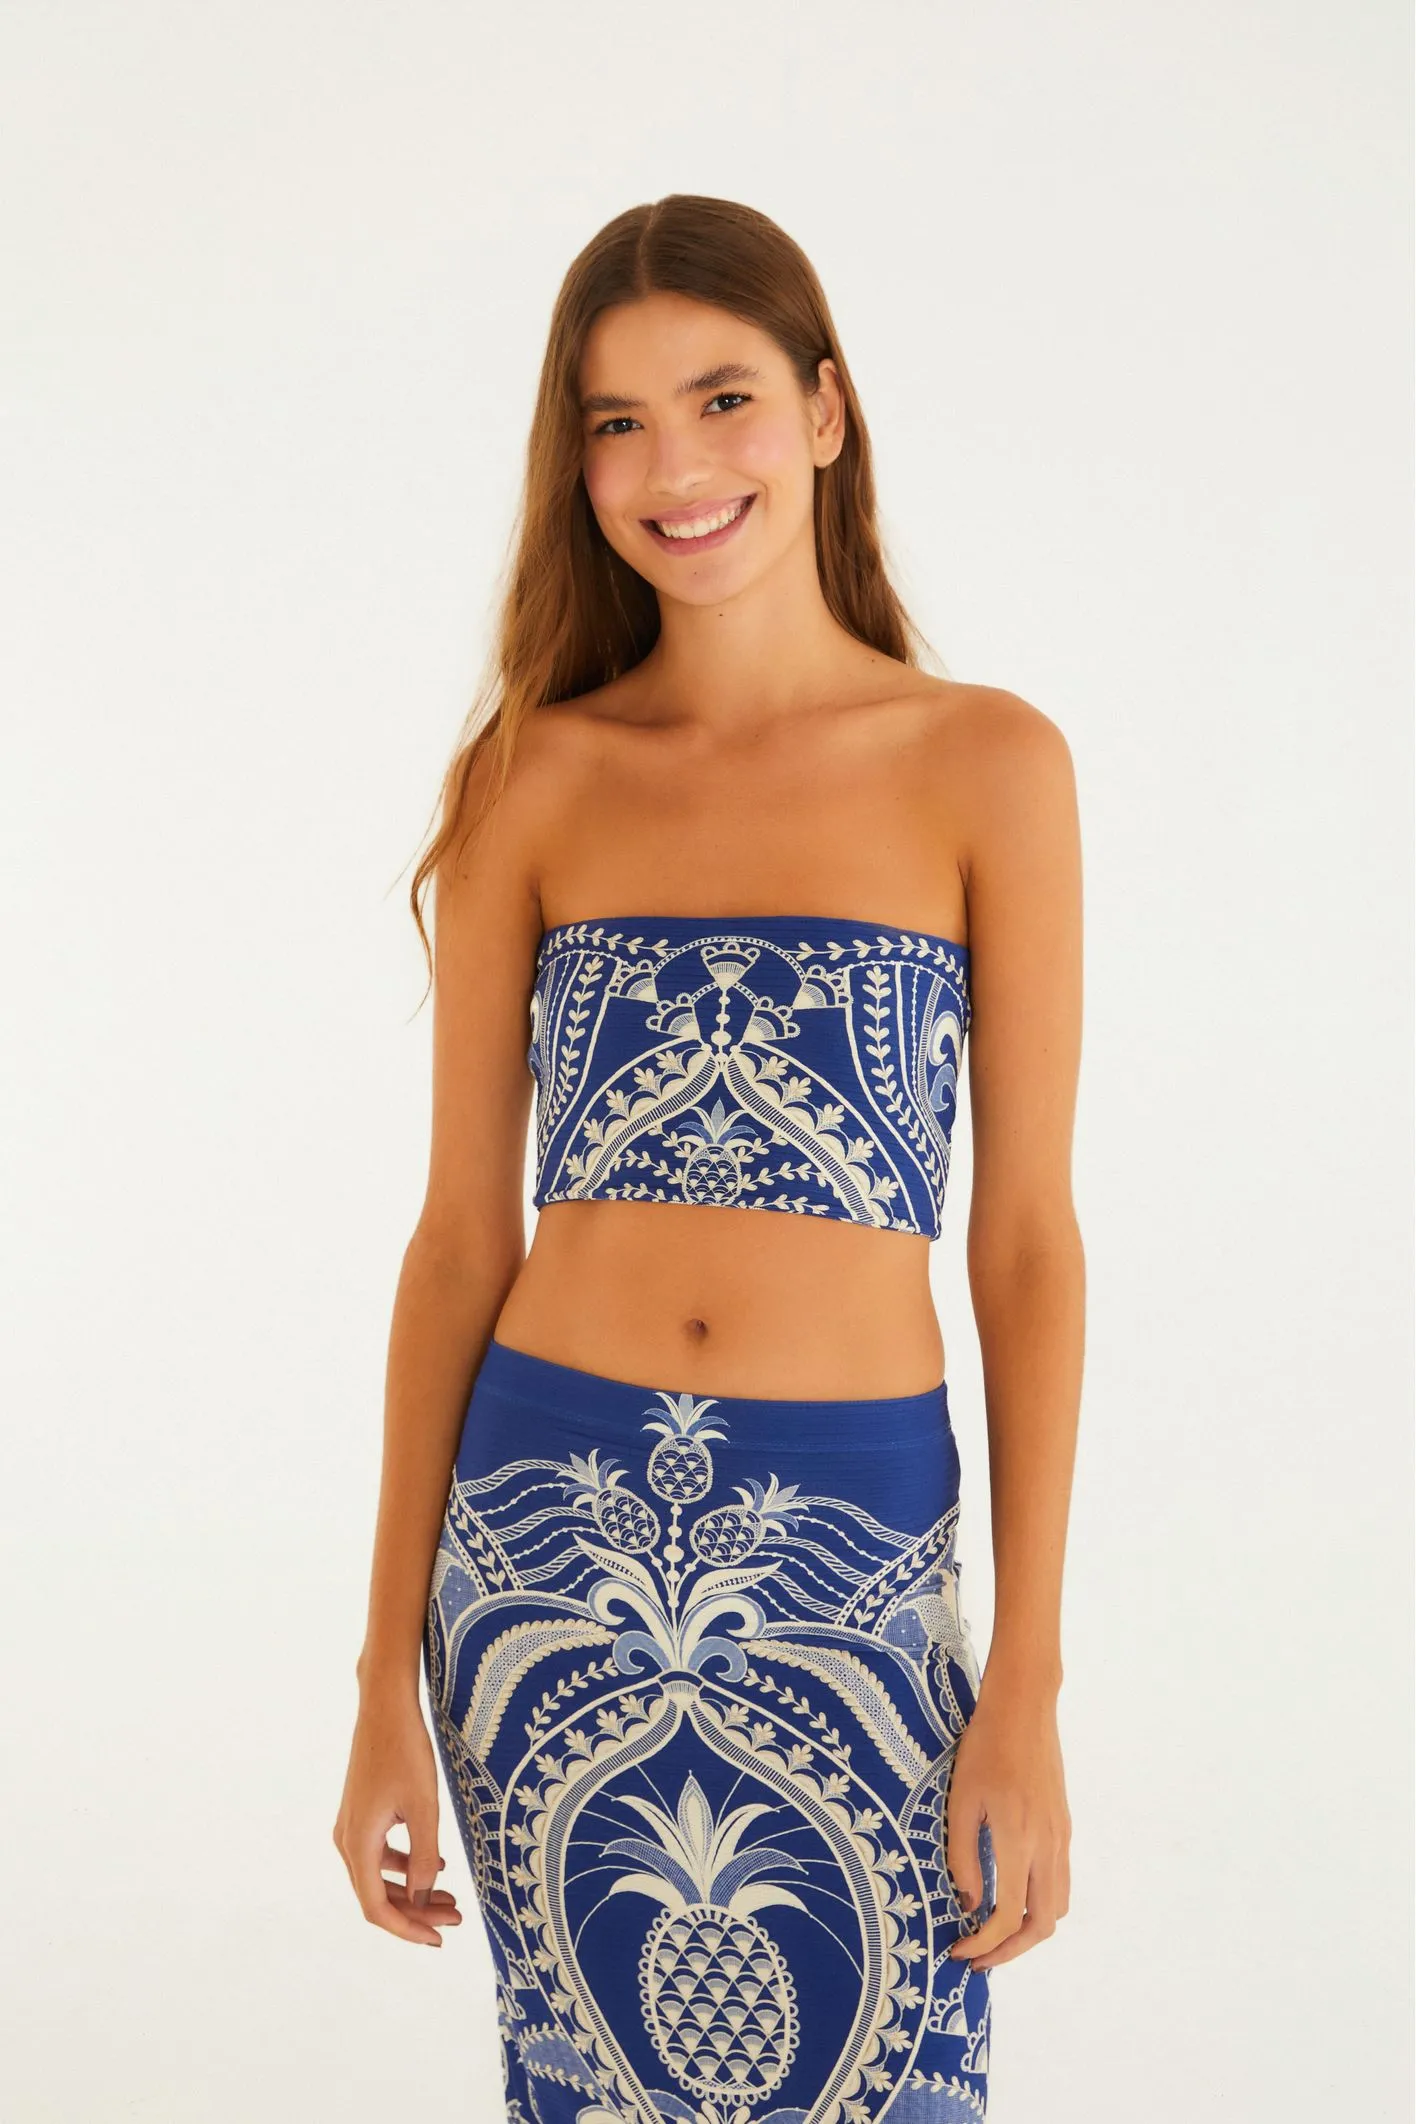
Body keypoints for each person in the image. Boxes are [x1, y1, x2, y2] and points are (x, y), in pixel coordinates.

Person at [333, 192, 1084, 2123]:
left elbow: (1024, 1244)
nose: (675, 468)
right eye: (618, 422)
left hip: (852, 1552)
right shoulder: (533, 776)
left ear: (826, 412)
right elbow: (455, 1243)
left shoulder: (987, 764)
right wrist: (380, 1684)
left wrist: (1027, 1679)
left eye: (723, 398)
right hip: (542, 1558)